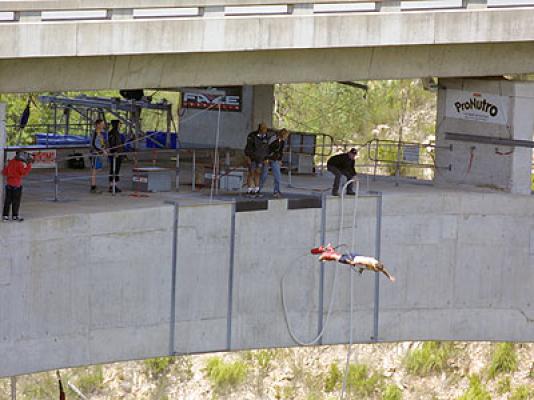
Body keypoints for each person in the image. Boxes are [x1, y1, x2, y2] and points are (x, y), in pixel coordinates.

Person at [311, 244, 395, 282]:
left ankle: (329, 251)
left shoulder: (377, 266)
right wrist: (351, 262)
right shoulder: (371, 263)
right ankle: (325, 254)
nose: (378, 271)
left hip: (356, 258)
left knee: (338, 258)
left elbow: (384, 270)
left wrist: (390, 277)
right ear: (376, 267)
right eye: (377, 270)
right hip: (354, 259)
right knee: (339, 258)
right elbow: (360, 262)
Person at [2, 151, 33, 222]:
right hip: (17, 186)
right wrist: (29, 165)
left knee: (7, 201)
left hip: (9, 185)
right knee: (16, 202)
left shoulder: (10, 162)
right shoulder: (19, 164)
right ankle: (15, 216)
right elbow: (24, 173)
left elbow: (4, 172)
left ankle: (5, 216)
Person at [260, 128, 289, 198]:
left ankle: (276, 191)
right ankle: (258, 190)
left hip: (275, 159)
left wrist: (280, 160)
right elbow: (266, 148)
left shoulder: (283, 142)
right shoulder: (273, 138)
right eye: (286, 135)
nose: (286, 137)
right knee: (264, 175)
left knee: (278, 175)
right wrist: (265, 158)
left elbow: (281, 152)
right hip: (267, 158)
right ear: (283, 134)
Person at [244, 122, 271, 197]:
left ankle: (256, 190)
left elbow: (266, 149)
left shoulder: (266, 137)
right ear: (260, 129)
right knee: (251, 173)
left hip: (261, 159)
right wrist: (248, 157)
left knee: (257, 173)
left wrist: (266, 158)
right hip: (252, 158)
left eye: (265, 128)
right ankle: (249, 190)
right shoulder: (252, 136)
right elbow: (248, 148)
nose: (265, 130)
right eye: (263, 128)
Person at [90, 119, 108, 194]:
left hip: (99, 154)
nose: (103, 125)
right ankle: (93, 187)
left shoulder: (101, 133)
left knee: (98, 169)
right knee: (94, 170)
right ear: (97, 125)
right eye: (102, 124)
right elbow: (93, 144)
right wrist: (101, 151)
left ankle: (93, 184)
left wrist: (105, 149)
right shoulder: (94, 133)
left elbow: (102, 143)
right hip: (95, 154)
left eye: (103, 124)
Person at [107, 119, 124, 193]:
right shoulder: (114, 133)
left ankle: (113, 185)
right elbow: (113, 144)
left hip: (117, 153)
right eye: (119, 124)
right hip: (115, 154)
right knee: (115, 170)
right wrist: (115, 151)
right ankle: (112, 186)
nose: (120, 125)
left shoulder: (114, 132)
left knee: (115, 170)